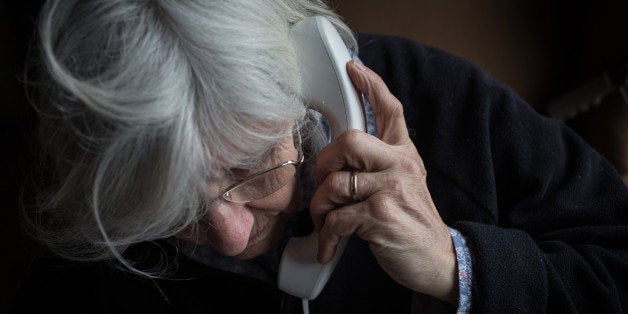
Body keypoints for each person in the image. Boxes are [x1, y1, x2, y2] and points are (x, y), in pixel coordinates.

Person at [12, 0, 628, 313]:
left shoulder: (431, 97)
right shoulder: (95, 243)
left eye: (250, 165)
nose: (229, 234)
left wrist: (457, 267)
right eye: (173, 208)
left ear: (310, 85)